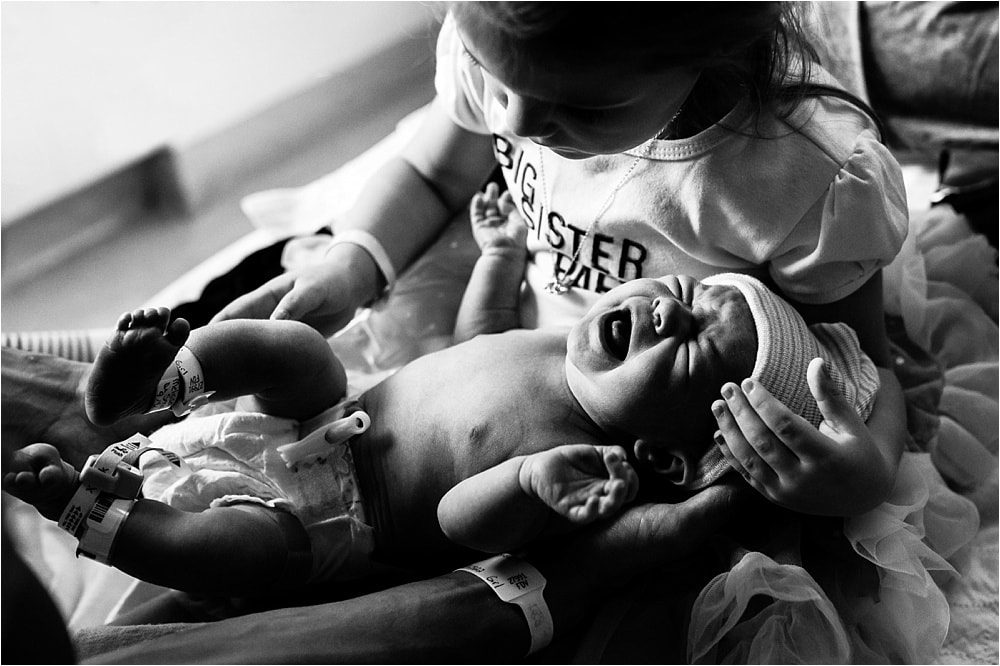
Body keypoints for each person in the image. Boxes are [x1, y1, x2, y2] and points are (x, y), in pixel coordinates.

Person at [4, 182, 879, 599]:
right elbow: (474, 342)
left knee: (235, 556)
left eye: (687, 345)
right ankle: (149, 382)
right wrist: (500, 257)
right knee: (298, 349)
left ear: (659, 451)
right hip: (325, 414)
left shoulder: (579, 468)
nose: (662, 311)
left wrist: (527, 486)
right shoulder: (554, 346)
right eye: (683, 294)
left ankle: (102, 517)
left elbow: (462, 525)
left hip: (328, 524)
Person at [212, 2, 910, 519]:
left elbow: (859, 365)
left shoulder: (797, 176)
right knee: (274, 335)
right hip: (497, 326)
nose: (511, 123)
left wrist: (866, 470)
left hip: (638, 419)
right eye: (493, 78)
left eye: (582, 107)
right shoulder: (508, 46)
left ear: (713, 49)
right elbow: (433, 174)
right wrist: (355, 265)